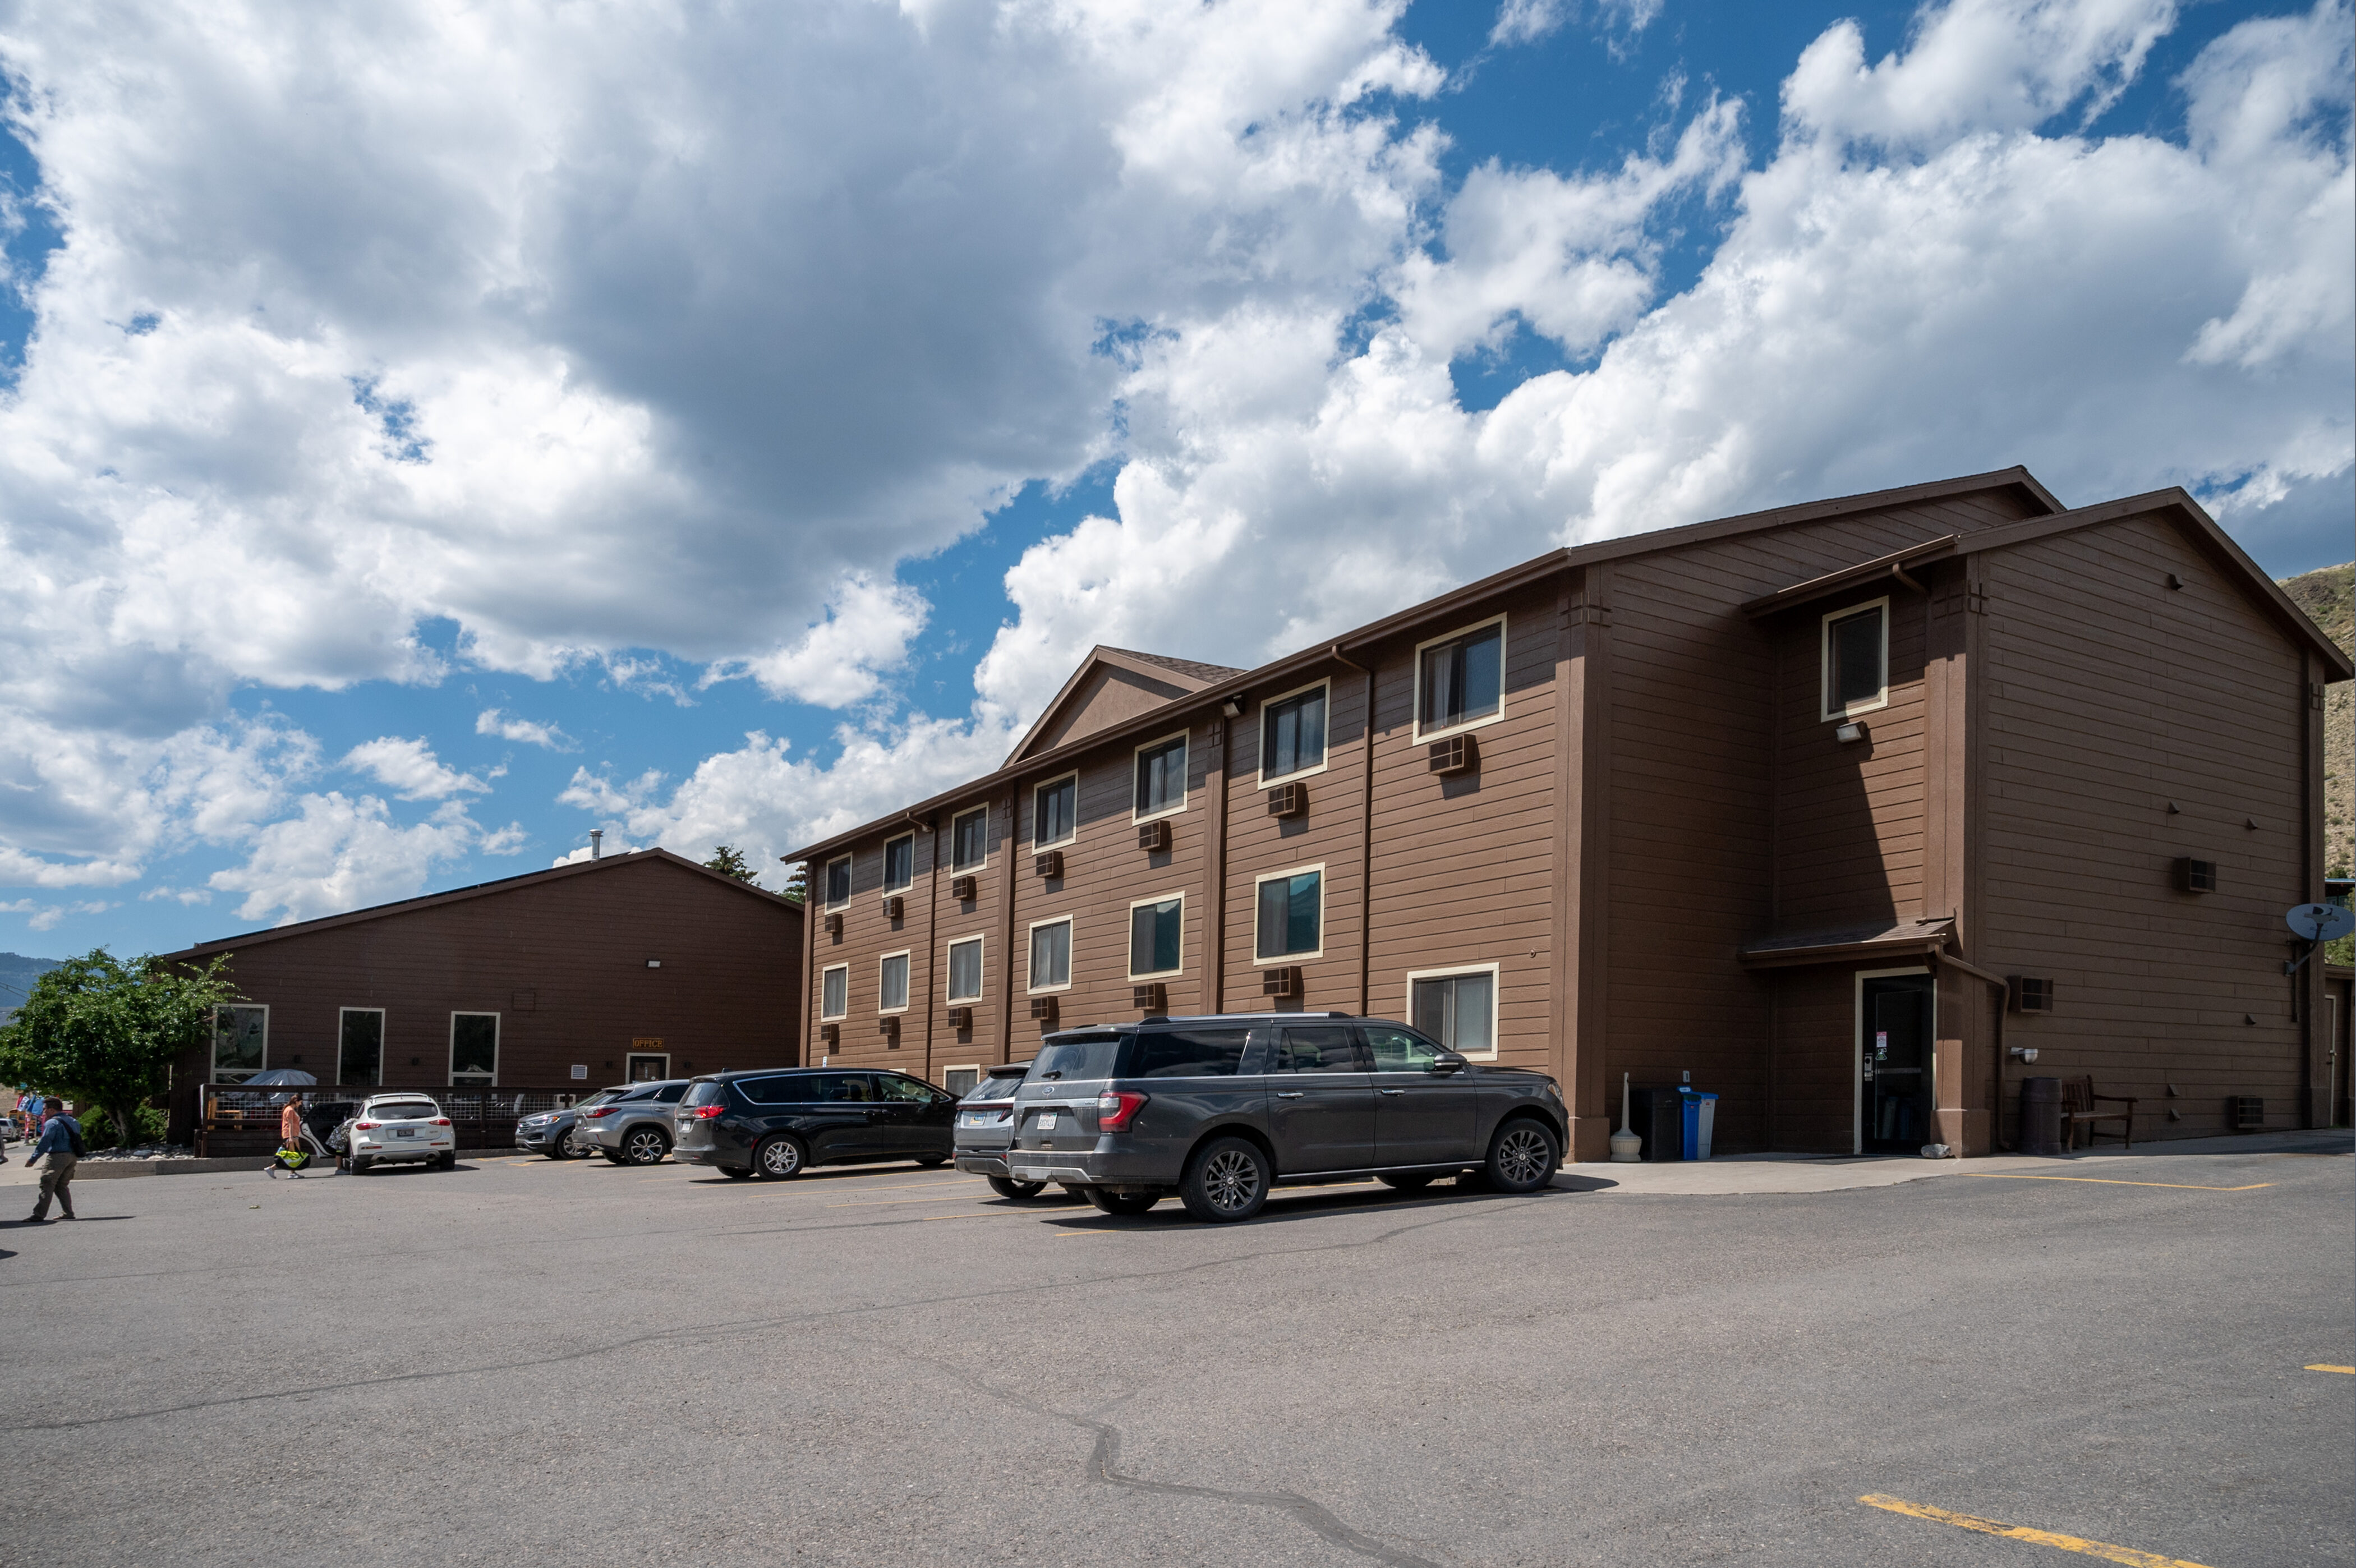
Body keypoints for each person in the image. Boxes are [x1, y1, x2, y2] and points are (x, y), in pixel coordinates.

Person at [25, 1100, 83, 1223]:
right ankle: (68, 1212)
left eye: (45, 1109)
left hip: (57, 1157)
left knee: (47, 1184)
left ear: (51, 1110)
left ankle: (39, 1215)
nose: (43, 1112)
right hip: (72, 1156)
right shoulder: (74, 1121)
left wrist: (33, 1159)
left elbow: (45, 1142)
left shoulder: (52, 1123)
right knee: (61, 1185)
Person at [272, 1093, 310, 1178]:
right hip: (291, 1135)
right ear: (296, 1101)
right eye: (300, 1102)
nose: (300, 1104)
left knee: (293, 1154)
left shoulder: (290, 1109)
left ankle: (276, 1169)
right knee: (293, 1154)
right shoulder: (290, 1110)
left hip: (293, 1134)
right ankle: (290, 1172)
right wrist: (291, 1137)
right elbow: (290, 1124)